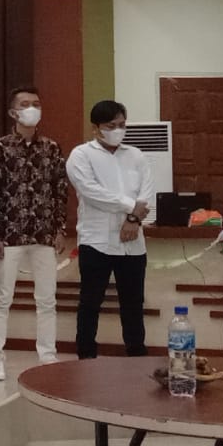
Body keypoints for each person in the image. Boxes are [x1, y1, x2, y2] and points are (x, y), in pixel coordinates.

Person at [0, 87, 69, 380]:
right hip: (9, 234)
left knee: (47, 299)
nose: (31, 108)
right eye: (25, 104)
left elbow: (60, 191)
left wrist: (60, 228)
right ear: (13, 112)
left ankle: (47, 354)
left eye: (36, 103)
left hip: (44, 233)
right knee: (1, 298)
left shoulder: (51, 148)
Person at [66, 100, 154, 359]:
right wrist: (130, 207)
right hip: (96, 241)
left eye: (122, 125)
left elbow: (146, 193)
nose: (118, 130)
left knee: (133, 304)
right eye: (111, 125)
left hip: (133, 244)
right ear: (95, 128)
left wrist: (133, 219)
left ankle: (136, 357)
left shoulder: (136, 155)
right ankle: (86, 358)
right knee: (90, 303)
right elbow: (92, 192)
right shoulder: (81, 155)